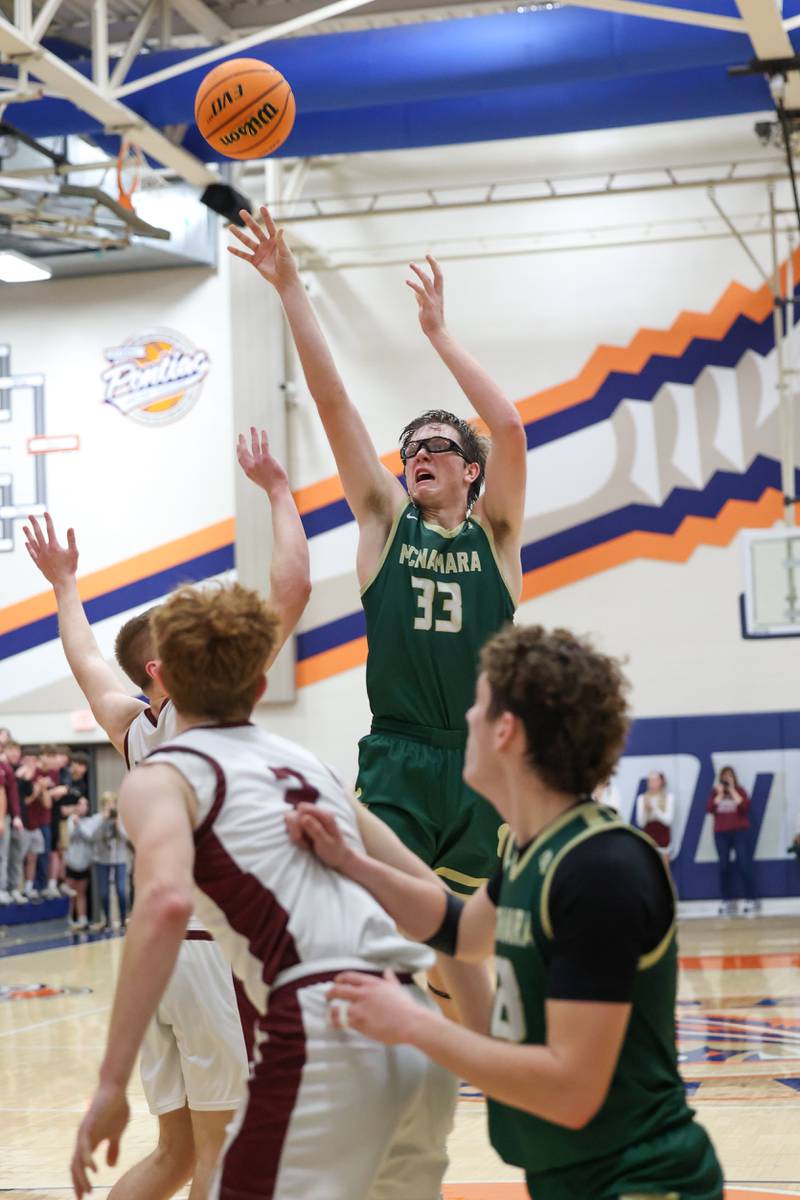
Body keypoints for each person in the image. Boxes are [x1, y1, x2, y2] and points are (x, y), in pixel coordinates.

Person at [289, 623, 725, 1200]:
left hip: (642, 1183)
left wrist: (413, 1022)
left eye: (477, 705)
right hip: (577, 1179)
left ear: (506, 731)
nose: (465, 718)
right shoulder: (532, 848)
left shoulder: (601, 869)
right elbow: (461, 934)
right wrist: (353, 859)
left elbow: (571, 1089)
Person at [228, 207, 527, 1013]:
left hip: (475, 764)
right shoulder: (384, 525)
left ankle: (487, 1060)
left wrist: (438, 335)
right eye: (411, 449)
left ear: (472, 472)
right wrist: (290, 287)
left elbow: (507, 425)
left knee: (460, 946)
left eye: (438, 447)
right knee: (387, 930)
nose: (419, 455)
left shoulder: (498, 536)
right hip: (396, 756)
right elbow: (333, 408)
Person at [70, 580, 457, 1200]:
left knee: (204, 1163)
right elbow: (444, 915)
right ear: (259, 685)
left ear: (161, 677)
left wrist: (111, 1082)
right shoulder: (313, 769)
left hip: (311, 1021)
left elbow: (166, 903)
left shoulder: (154, 764)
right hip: (409, 1022)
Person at [26, 428, 311, 1200]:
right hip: (202, 951)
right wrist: (283, 494)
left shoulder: (136, 727)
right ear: (164, 664)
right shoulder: (199, 705)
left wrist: (64, 586)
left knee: (174, 1154)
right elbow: (291, 592)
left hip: (152, 966)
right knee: (222, 1156)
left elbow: (86, 657)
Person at [706, 766, 758, 917]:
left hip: (739, 833)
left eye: (729, 776)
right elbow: (709, 808)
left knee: (744, 864)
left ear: (734, 777)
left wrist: (732, 789)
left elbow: (744, 806)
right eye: (724, 777)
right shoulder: (716, 792)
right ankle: (726, 900)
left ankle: (750, 899)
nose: (727, 779)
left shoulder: (740, 791)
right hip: (721, 834)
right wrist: (721, 792)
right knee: (723, 866)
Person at [91, 792, 130, 932]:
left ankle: (123, 919)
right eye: (107, 804)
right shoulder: (98, 818)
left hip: (119, 859)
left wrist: (118, 824)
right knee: (103, 892)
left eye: (112, 803)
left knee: (120, 890)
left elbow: (127, 838)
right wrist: (103, 821)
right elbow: (92, 837)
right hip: (102, 860)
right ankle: (107, 920)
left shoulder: (121, 818)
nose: (110, 806)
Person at [64, 795, 101, 930]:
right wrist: (75, 824)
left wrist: (79, 824)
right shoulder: (70, 820)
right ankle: (68, 918)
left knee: (81, 892)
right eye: (80, 804)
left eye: (85, 804)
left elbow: (89, 836)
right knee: (70, 893)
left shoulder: (90, 821)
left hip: (85, 862)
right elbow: (70, 836)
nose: (82, 807)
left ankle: (82, 918)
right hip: (72, 861)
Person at [0, 739, 26, 905]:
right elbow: (2, 794)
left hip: (11, 817)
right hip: (4, 817)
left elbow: (12, 795)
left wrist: (16, 816)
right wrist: (2, 819)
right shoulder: (3, 767)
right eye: (12, 750)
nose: (16, 754)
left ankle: (12, 887)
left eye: (18, 750)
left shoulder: (8, 768)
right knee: (2, 855)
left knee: (13, 855)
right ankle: (2, 889)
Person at [635, 771, 674, 865]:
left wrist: (654, 809)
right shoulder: (642, 798)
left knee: (665, 870)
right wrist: (646, 811)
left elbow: (668, 821)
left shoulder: (668, 797)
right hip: (648, 839)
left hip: (663, 839)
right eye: (650, 781)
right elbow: (641, 823)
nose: (652, 783)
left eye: (655, 780)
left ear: (661, 781)